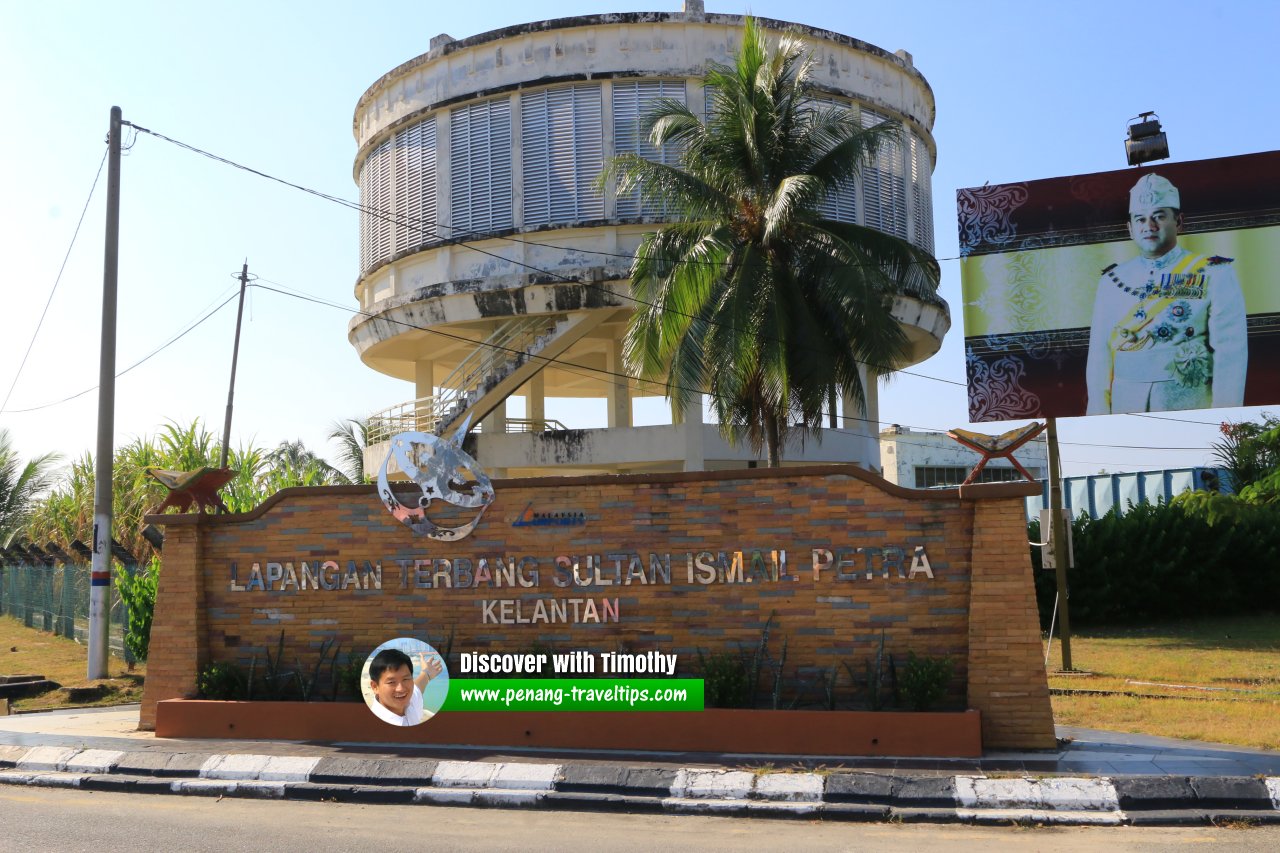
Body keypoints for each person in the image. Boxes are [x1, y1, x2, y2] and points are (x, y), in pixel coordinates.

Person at [1085, 174, 1247, 415]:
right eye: (1140, 219)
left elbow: (1230, 353)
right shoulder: (1112, 281)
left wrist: (1225, 416)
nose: (1149, 227)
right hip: (1125, 404)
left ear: (1179, 222)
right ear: (1130, 228)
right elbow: (1099, 355)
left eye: (1159, 216)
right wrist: (1097, 417)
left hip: (1190, 402)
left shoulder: (1214, 273)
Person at [366, 647, 443, 726]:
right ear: (375, 687)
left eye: (405, 679)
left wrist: (426, 673)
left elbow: (418, 686)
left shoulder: (410, 702)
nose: (401, 689)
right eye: (391, 682)